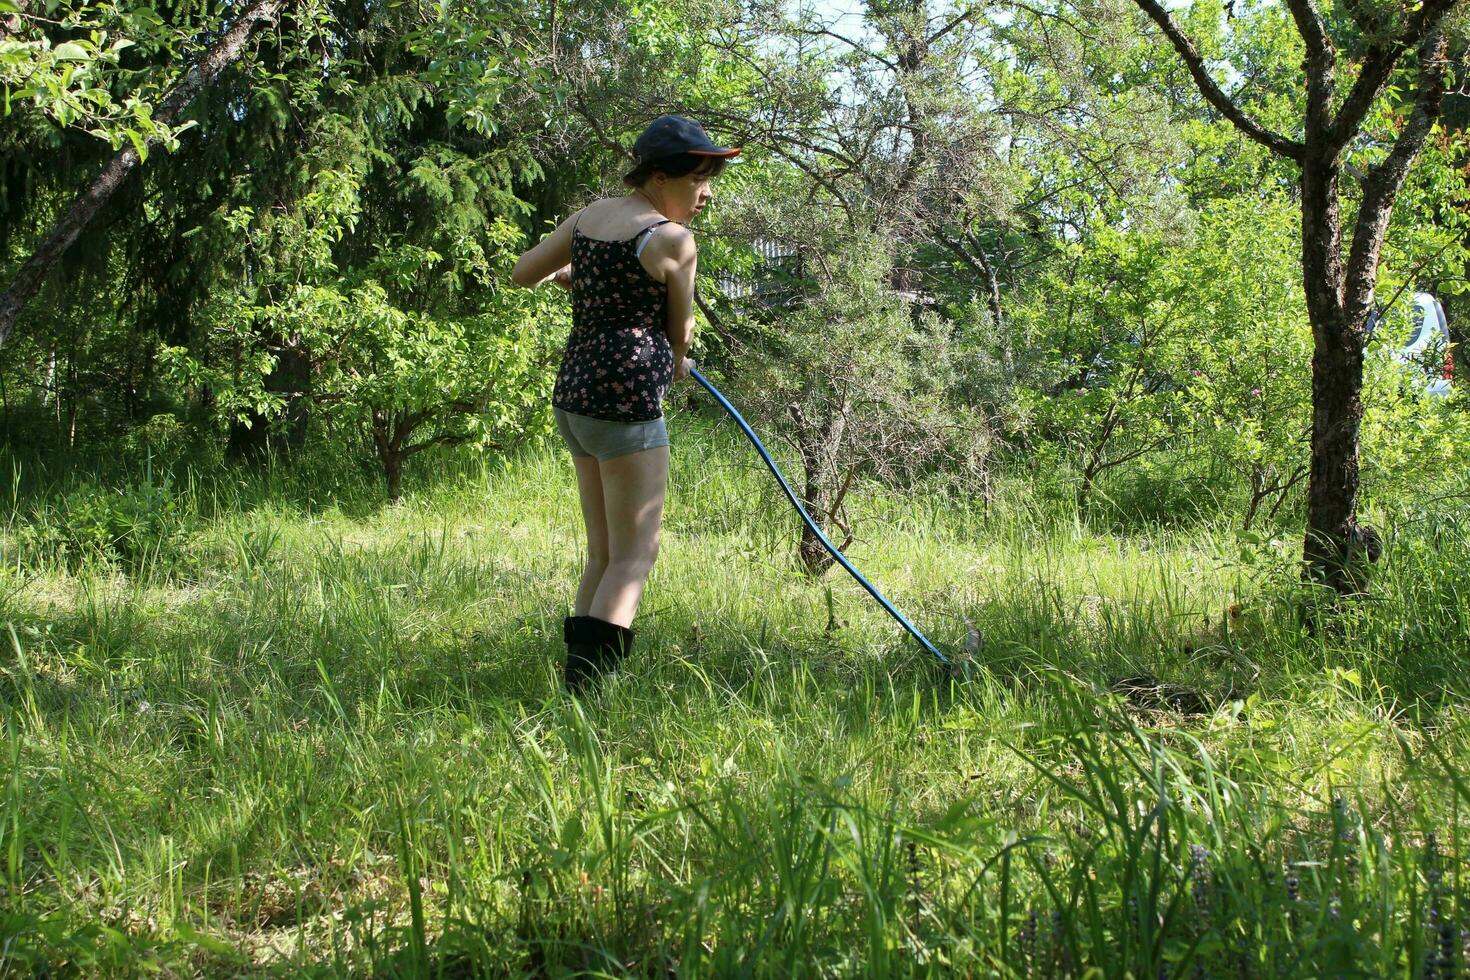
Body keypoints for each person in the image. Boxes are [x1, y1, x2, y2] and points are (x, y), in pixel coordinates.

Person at [510, 115, 739, 691]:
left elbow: (523, 273)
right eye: (698, 180)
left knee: (603, 553)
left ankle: (575, 684)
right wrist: (680, 364)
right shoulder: (672, 238)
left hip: (576, 399)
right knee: (633, 557)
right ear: (660, 178)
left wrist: (583, 278)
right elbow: (678, 330)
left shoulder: (591, 217)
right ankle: (588, 693)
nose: (706, 193)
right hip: (627, 405)